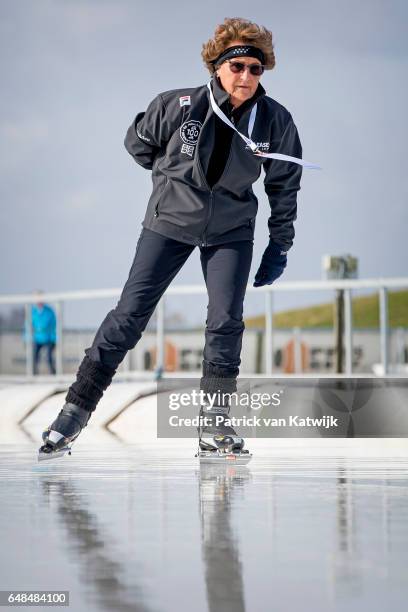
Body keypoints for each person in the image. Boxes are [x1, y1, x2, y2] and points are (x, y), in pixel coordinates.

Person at [39, 17, 304, 459]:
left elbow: (285, 184)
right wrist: (170, 180)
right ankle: (74, 411)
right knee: (128, 317)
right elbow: (138, 143)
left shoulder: (274, 120)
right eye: (237, 66)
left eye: (256, 69)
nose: (246, 77)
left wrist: (281, 244)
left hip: (231, 231)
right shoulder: (179, 105)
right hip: (169, 223)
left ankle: (215, 422)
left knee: (226, 321)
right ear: (217, 67)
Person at [29, 297, 57, 375]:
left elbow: (54, 325)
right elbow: (28, 325)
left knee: (49, 357)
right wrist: (26, 338)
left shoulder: (49, 311)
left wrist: (55, 338)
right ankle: (34, 374)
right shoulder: (33, 312)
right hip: (37, 339)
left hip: (49, 338)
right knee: (34, 357)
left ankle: (53, 373)